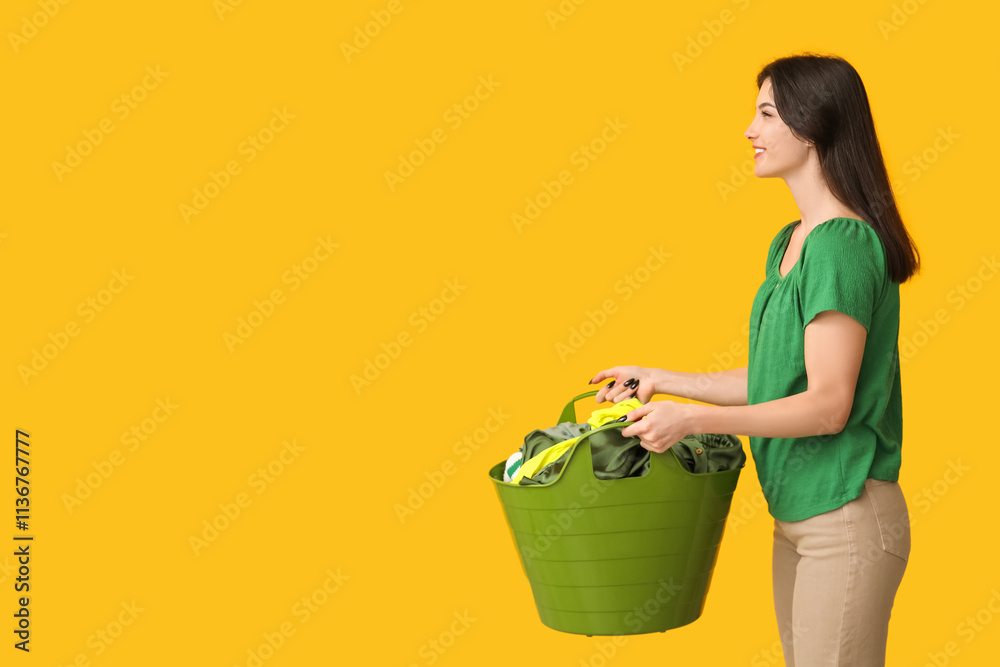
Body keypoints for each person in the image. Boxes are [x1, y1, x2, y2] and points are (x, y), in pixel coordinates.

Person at [587, 53, 921, 667]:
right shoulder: (791, 244)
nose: (750, 130)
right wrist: (663, 382)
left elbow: (826, 406)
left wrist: (690, 421)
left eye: (766, 113)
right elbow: (778, 381)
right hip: (799, 513)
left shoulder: (841, 246)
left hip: (844, 514)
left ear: (812, 124)